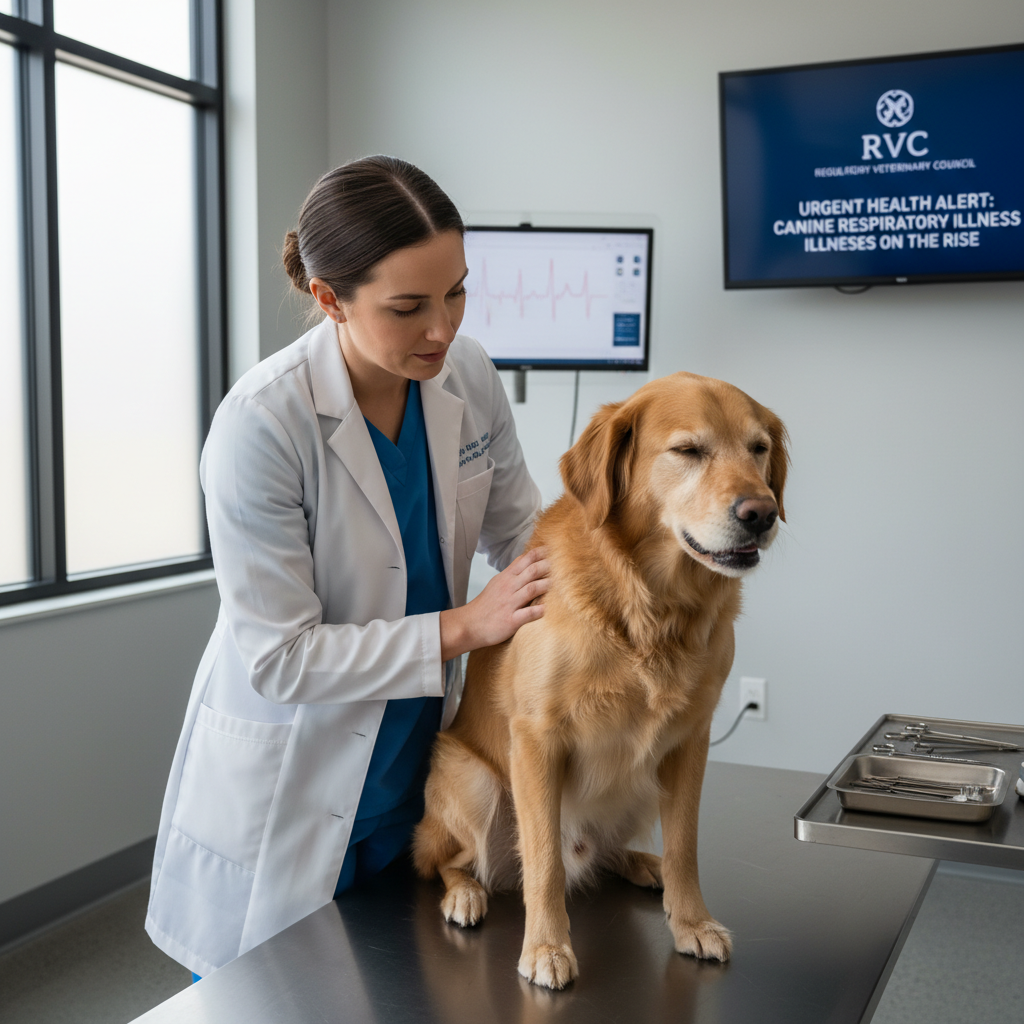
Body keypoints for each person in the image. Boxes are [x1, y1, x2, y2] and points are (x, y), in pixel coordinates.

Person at [145, 156, 547, 979]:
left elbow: (525, 542)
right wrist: (464, 626)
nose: (444, 328)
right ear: (330, 299)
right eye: (408, 307)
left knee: (400, 984)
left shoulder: (464, 376)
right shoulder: (262, 426)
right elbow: (280, 657)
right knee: (272, 998)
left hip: (413, 769)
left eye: (457, 292)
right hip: (291, 781)